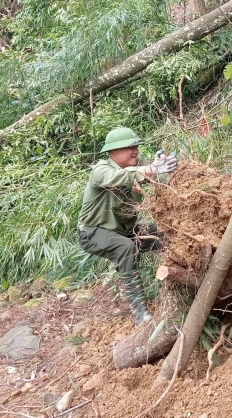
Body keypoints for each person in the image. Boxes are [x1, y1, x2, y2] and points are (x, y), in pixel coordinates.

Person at [77, 127, 178, 327]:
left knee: (165, 234)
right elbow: (122, 177)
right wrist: (150, 169)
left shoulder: (138, 164)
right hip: (93, 232)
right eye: (129, 147)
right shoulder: (101, 170)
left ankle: (180, 289)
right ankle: (140, 313)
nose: (136, 151)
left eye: (136, 147)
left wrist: (167, 167)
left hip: (125, 232)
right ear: (113, 152)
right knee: (126, 249)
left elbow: (158, 177)